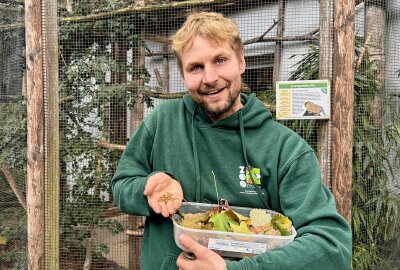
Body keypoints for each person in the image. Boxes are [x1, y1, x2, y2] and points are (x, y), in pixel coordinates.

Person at [112, 11, 352, 270]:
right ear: (184, 74)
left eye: (220, 60)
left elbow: (331, 246)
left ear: (241, 61)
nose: (210, 78)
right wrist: (145, 189)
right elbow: (122, 186)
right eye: (196, 67)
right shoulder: (161, 124)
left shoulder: (285, 149)